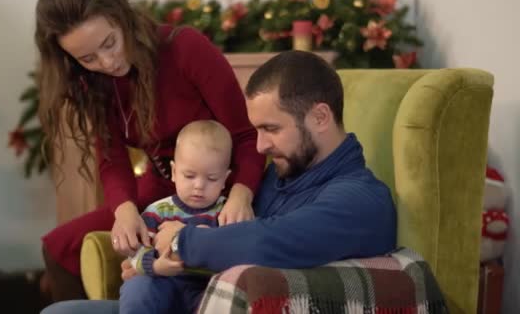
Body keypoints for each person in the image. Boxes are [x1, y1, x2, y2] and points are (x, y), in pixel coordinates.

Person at [41, 51, 397, 314]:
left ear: (320, 117)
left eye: (271, 129)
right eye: (256, 130)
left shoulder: (361, 200)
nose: (259, 147)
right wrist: (147, 258)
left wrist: (181, 242)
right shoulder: (277, 176)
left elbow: (271, 240)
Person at [35, 0, 265, 301]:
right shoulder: (94, 82)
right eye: (88, 58)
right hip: (160, 194)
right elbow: (111, 159)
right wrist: (124, 211)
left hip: (217, 190)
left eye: (109, 43)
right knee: (58, 248)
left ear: (121, 16)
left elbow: (246, 135)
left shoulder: (185, 48)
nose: (107, 61)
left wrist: (241, 196)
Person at [122, 120, 233, 313]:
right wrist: (155, 266)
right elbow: (135, 253)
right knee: (136, 287)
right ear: (174, 172)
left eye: (212, 178)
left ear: (225, 178)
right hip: (163, 284)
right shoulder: (158, 212)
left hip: (207, 289)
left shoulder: (227, 213)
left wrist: (208, 242)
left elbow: (241, 254)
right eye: (189, 176)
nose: (199, 185)